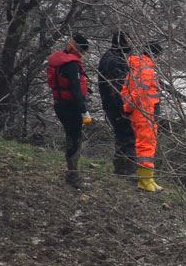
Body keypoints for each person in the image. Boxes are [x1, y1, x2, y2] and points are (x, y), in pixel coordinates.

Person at [45, 34, 94, 189]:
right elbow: (74, 88)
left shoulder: (59, 59)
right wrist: (84, 111)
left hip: (59, 103)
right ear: (79, 49)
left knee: (70, 137)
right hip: (71, 107)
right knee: (75, 139)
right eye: (83, 52)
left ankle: (72, 172)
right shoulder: (72, 65)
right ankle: (73, 175)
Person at [122, 40, 163, 193]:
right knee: (146, 146)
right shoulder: (147, 70)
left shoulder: (135, 67)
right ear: (155, 55)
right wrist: (130, 107)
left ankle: (146, 179)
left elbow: (125, 89)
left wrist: (127, 107)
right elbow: (140, 92)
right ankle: (145, 180)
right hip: (146, 112)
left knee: (143, 145)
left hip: (141, 111)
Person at [97, 31, 135, 176]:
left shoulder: (109, 57)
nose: (130, 44)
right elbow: (118, 88)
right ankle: (126, 171)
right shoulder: (115, 61)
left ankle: (121, 169)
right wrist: (126, 108)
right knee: (127, 137)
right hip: (116, 106)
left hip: (110, 104)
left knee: (122, 137)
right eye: (128, 40)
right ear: (123, 42)